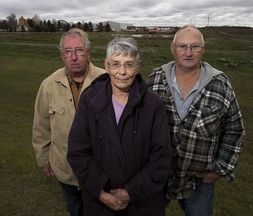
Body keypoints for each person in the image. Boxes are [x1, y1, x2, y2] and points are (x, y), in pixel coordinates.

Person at [147, 24, 246, 216]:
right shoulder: (156, 79)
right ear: (172, 48)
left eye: (195, 47)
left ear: (203, 49)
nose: (188, 53)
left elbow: (235, 129)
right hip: (158, 176)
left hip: (199, 181)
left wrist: (220, 169)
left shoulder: (220, 84)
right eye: (182, 46)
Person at [67, 36, 172, 216]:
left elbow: (161, 157)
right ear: (106, 66)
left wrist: (130, 192)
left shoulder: (153, 105)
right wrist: (101, 192)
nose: (122, 72)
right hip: (99, 205)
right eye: (115, 64)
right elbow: (78, 152)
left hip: (143, 205)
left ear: (138, 67)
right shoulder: (90, 100)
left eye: (129, 64)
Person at [32, 28, 105, 216]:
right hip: (66, 170)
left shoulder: (106, 81)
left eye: (79, 50)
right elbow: (41, 126)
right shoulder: (48, 85)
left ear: (88, 52)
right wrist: (43, 159)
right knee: (76, 210)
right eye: (68, 51)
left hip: (101, 171)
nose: (74, 57)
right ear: (61, 55)